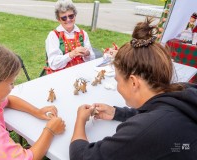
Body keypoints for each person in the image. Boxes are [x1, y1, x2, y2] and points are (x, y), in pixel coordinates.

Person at [70, 18, 197, 160]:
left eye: (117, 80)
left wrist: (80, 120)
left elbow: (82, 156)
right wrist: (117, 113)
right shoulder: (184, 91)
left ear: (133, 82)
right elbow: (158, 115)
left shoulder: (145, 130)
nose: (118, 86)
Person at [0, 42, 66, 160]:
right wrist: (50, 130)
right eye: (11, 83)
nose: (13, 87)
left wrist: (36, 111)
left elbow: (9, 101)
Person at [44, 0, 95, 74]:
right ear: (59, 20)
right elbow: (53, 63)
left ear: (75, 15)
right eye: (64, 18)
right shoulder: (53, 35)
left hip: (81, 72)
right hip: (61, 74)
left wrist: (87, 53)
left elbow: (92, 59)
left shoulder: (83, 34)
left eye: (71, 16)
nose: (68, 20)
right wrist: (71, 54)